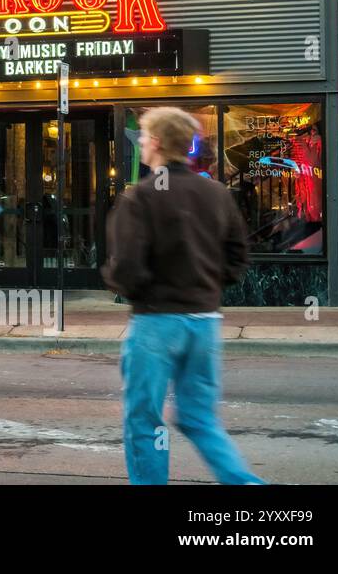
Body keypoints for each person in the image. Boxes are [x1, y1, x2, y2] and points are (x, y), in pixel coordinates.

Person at [104, 107, 264, 485]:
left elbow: (126, 268)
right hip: (205, 322)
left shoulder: (140, 197)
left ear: (157, 142)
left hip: (156, 323)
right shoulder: (215, 193)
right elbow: (238, 257)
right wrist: (207, 285)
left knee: (144, 420)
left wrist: (121, 284)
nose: (140, 142)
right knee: (199, 417)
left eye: (143, 136)